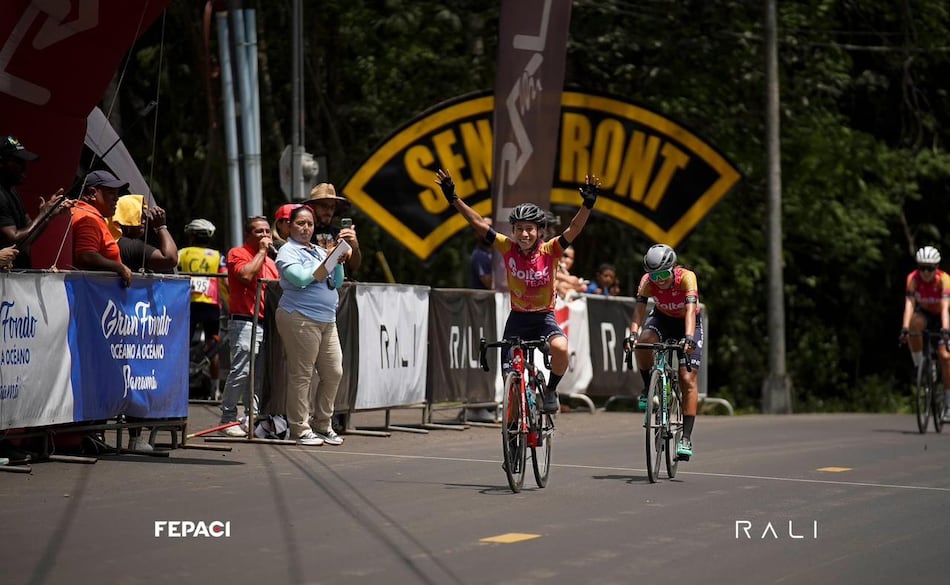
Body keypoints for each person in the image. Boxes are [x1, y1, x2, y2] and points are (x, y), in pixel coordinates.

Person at [436, 168, 600, 414]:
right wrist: (454, 199)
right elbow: (479, 223)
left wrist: (587, 206)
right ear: (513, 231)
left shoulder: (551, 250)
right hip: (518, 319)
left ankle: (551, 390)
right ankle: (514, 430)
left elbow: (574, 229)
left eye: (530, 229)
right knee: (511, 380)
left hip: (544, 317)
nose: (524, 234)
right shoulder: (507, 247)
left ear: (540, 232)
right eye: (519, 229)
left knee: (562, 348)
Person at [274, 205, 345, 446]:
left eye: (310, 224)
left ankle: (322, 424)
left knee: (334, 372)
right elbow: (301, 279)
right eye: (300, 223)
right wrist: (329, 259)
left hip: (327, 319)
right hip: (299, 316)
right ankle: (299, 428)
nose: (306, 228)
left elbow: (336, 282)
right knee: (302, 374)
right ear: (289, 226)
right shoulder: (287, 251)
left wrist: (339, 261)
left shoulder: (317, 250)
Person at [625, 244, 703, 460]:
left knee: (687, 378)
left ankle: (686, 437)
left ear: (673, 268)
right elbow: (639, 311)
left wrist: (688, 338)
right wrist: (632, 334)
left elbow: (690, 311)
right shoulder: (647, 281)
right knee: (643, 343)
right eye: (654, 275)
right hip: (662, 318)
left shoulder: (687, 278)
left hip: (688, 323)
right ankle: (648, 387)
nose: (659, 280)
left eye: (663, 274)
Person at [219, 216, 279, 436]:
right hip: (244, 321)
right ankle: (227, 418)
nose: (265, 236)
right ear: (248, 235)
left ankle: (250, 417)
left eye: (267, 232)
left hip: (265, 323)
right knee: (241, 370)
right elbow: (246, 275)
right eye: (259, 232)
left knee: (257, 375)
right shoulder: (238, 253)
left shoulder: (272, 264)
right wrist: (262, 252)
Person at [0, 135, 69, 269]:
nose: (24, 167)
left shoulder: (12, 190)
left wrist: (49, 216)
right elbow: (14, 239)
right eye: (18, 162)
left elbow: (28, 235)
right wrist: (43, 215)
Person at [900, 246, 950, 422]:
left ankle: (948, 403)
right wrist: (905, 328)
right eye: (922, 267)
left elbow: (945, 308)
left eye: (930, 268)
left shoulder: (944, 280)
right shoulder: (912, 279)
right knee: (915, 324)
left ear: (937, 267)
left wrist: (945, 330)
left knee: (944, 356)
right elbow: (910, 305)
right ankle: (920, 367)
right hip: (927, 313)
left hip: (944, 315)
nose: (926, 272)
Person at [179, 219, 226, 399]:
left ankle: (180, 386)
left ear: (191, 235)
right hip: (210, 304)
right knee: (213, 346)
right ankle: (215, 389)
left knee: (182, 346)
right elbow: (224, 280)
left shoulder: (182, 253)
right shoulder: (217, 256)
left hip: (187, 303)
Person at [70, 170, 132, 287]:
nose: (116, 198)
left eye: (117, 193)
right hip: (90, 294)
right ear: (93, 193)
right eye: (111, 193)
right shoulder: (88, 218)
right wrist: (119, 267)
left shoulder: (76, 211)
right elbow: (86, 255)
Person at [112, 194, 179, 273]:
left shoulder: (111, 240)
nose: (144, 220)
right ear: (127, 217)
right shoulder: (131, 247)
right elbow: (170, 259)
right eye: (140, 216)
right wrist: (161, 227)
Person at [304, 182, 362, 271]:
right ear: (311, 207)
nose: (329, 211)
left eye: (332, 207)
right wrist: (335, 250)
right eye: (324, 206)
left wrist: (355, 247)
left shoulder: (340, 233)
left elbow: (353, 267)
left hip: (339, 283)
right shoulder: (304, 233)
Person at [469, 217, 493, 289]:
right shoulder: (479, 255)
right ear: (476, 234)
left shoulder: (497, 252)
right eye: (482, 229)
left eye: (491, 228)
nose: (488, 232)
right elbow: (489, 284)